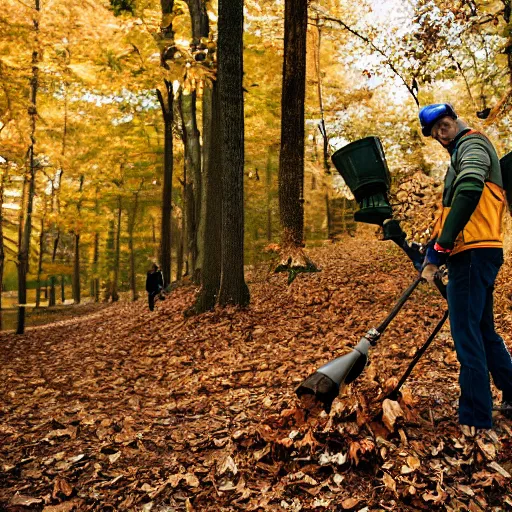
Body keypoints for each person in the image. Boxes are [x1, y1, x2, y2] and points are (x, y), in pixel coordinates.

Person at [419, 103, 512, 429]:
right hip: (475, 252)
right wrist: (432, 252)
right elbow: (453, 211)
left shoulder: (472, 144)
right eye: (436, 131)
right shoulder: (458, 154)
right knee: (484, 329)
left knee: (466, 333)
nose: (443, 131)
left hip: (472, 254)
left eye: (445, 124)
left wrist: (443, 246)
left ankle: (475, 417)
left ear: (455, 121)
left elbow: (471, 187)